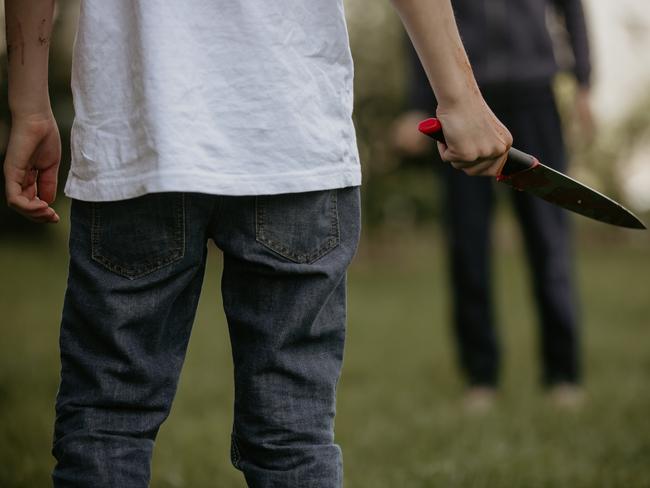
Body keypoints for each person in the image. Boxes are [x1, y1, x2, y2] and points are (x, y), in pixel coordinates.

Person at [4, 0, 511, 486]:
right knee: (293, 432)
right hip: (290, 138)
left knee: (106, 417)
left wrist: (28, 106)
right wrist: (460, 95)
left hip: (137, 137)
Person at [393, 0, 592, 409]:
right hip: (464, 104)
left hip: (535, 96)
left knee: (549, 242)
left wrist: (584, 84)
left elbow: (572, 8)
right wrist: (417, 100)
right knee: (467, 247)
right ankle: (480, 377)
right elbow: (420, 13)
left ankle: (564, 374)